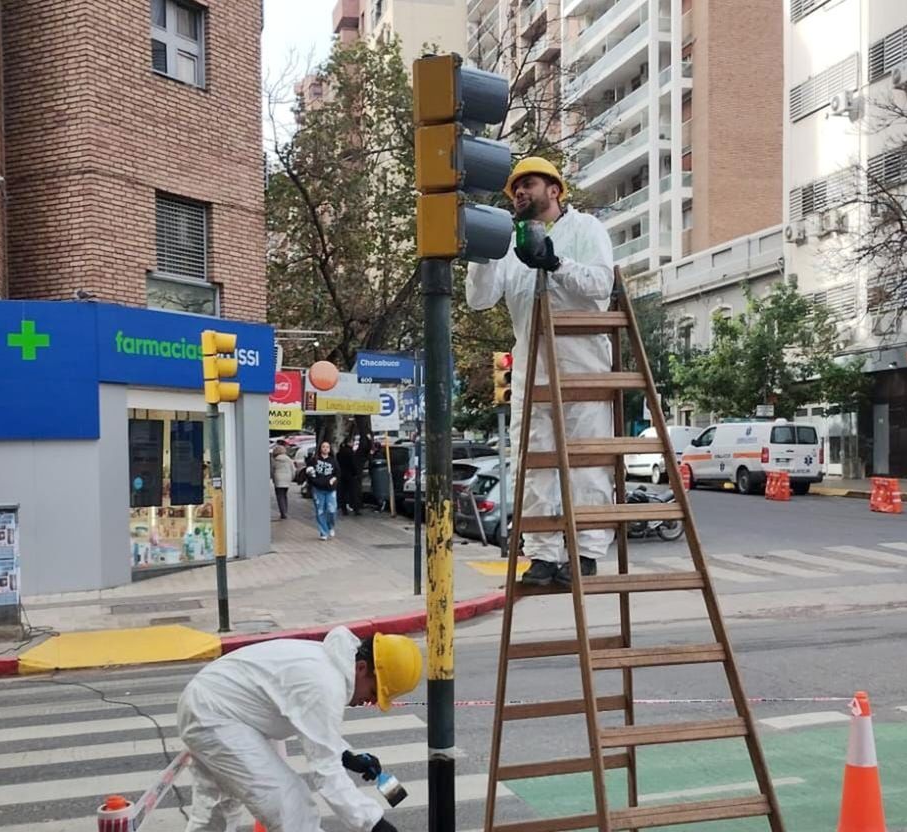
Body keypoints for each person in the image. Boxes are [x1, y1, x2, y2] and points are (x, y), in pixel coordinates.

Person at [466, 157, 616, 588]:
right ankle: (543, 556)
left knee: (585, 459)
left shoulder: (585, 229)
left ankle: (585, 553)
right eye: (515, 188)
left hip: (582, 360)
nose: (519, 193)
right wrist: (485, 250)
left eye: (528, 184)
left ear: (554, 189)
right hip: (531, 364)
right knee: (533, 462)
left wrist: (554, 263)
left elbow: (600, 286)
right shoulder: (511, 247)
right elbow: (478, 299)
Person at [176, 626, 422, 832]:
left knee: (217, 809)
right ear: (362, 668)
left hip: (218, 705)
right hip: (216, 714)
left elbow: (315, 731)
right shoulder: (325, 684)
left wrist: (347, 756)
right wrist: (374, 823)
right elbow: (326, 773)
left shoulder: (326, 663)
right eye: (373, 692)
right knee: (293, 807)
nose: (371, 702)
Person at [307, 441, 340, 540]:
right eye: (323, 447)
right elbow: (309, 473)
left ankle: (330, 526)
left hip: (330, 489)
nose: (325, 448)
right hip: (318, 489)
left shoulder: (333, 461)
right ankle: (323, 532)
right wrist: (315, 481)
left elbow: (337, 473)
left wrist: (333, 480)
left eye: (327, 447)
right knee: (320, 511)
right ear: (320, 448)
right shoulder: (314, 460)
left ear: (329, 449)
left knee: (332, 509)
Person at [337, 435, 363, 516]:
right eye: (352, 442)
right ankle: (356, 509)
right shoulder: (350, 453)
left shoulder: (339, 453)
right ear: (349, 443)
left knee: (343, 492)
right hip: (350, 475)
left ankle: (344, 509)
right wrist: (356, 473)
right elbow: (353, 464)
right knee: (353, 492)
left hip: (342, 474)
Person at [270, 442, 294, 521]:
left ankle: (283, 513)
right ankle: (285, 511)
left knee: (280, 496)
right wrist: (291, 478)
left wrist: (273, 479)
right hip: (287, 478)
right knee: (285, 495)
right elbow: (293, 469)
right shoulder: (289, 459)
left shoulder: (274, 460)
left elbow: (272, 471)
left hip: (278, 478)